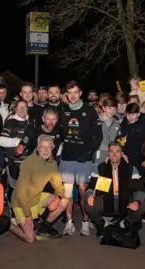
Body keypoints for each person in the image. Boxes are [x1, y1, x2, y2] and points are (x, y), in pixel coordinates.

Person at [59, 81, 102, 236]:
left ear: (80, 93)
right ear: (66, 95)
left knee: (83, 190)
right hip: (67, 157)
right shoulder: (62, 110)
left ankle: (85, 221)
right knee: (68, 191)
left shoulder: (89, 111)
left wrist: (89, 152)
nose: (73, 96)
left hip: (84, 158)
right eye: (70, 93)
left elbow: (98, 135)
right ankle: (69, 222)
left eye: (75, 92)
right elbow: (58, 132)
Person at [10, 135, 69, 243]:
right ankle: (9, 224)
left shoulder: (52, 163)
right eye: (43, 147)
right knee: (30, 239)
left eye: (49, 147)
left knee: (64, 201)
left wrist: (58, 197)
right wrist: (28, 216)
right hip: (21, 202)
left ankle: (44, 227)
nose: (46, 150)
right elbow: (21, 192)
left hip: (37, 197)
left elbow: (58, 185)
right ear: (38, 148)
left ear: (52, 149)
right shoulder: (29, 162)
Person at [84, 142, 145, 237]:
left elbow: (140, 190)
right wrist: (89, 196)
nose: (114, 154)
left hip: (126, 200)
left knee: (143, 204)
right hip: (107, 200)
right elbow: (91, 187)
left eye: (117, 151)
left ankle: (127, 222)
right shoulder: (101, 168)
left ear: (122, 154)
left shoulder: (130, 168)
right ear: (108, 154)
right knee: (88, 205)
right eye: (111, 151)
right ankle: (102, 223)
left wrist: (137, 202)